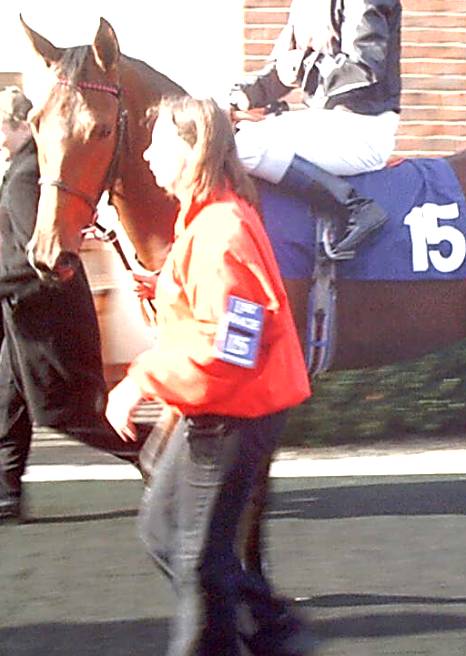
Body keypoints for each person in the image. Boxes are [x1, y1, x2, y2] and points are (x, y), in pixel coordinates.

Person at [105, 96, 313, 656]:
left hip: (236, 415)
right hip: (218, 408)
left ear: (193, 150)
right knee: (163, 533)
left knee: (198, 559)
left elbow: (230, 350)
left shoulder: (221, 231)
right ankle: (271, 631)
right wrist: (165, 286)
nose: (146, 156)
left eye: (157, 145)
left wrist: (141, 380)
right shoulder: (207, 220)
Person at [0, 86, 142, 522]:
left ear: (21, 126)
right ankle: (5, 491)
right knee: (7, 401)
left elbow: (39, 259)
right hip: (26, 314)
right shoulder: (26, 168)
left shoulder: (28, 175)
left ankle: (157, 453)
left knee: (66, 412)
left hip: (44, 314)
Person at [228, 0, 402, 258]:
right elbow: (283, 71)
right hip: (328, 124)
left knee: (243, 147)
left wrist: (303, 65)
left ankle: (354, 207)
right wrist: (240, 97)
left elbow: (364, 68)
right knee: (236, 135)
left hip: (363, 127)